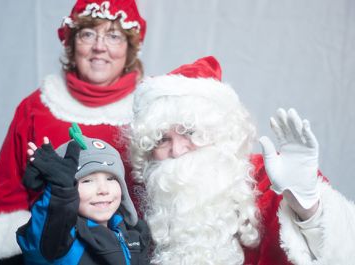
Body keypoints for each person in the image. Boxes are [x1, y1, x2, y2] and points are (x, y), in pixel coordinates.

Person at [0, 0, 146, 264]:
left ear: (129, 49)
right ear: (72, 45)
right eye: (88, 34)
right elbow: (6, 191)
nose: (99, 46)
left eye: (114, 35)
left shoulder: (149, 111)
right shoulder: (36, 108)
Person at [129, 56, 355, 265]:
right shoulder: (140, 200)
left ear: (221, 133)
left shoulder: (271, 179)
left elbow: (345, 256)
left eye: (190, 132)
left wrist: (309, 210)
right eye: (161, 139)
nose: (177, 151)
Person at [16, 126, 150, 265]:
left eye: (111, 178)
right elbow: (47, 231)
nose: (103, 189)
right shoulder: (61, 240)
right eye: (87, 181)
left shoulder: (134, 234)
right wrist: (60, 191)